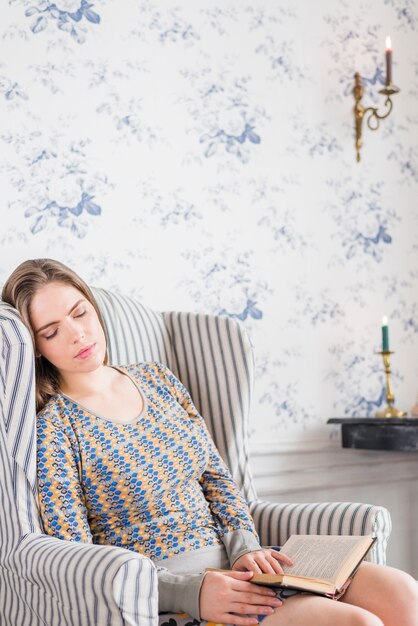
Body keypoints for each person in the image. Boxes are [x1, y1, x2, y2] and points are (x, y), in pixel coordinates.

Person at [2, 258, 418, 626]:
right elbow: (79, 559)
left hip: (246, 567)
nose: (77, 334)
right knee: (357, 623)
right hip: (179, 598)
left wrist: (245, 550)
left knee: (401, 591)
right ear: (37, 348)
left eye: (81, 313)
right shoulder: (56, 426)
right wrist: (192, 592)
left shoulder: (157, 379)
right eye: (53, 331)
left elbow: (217, 478)